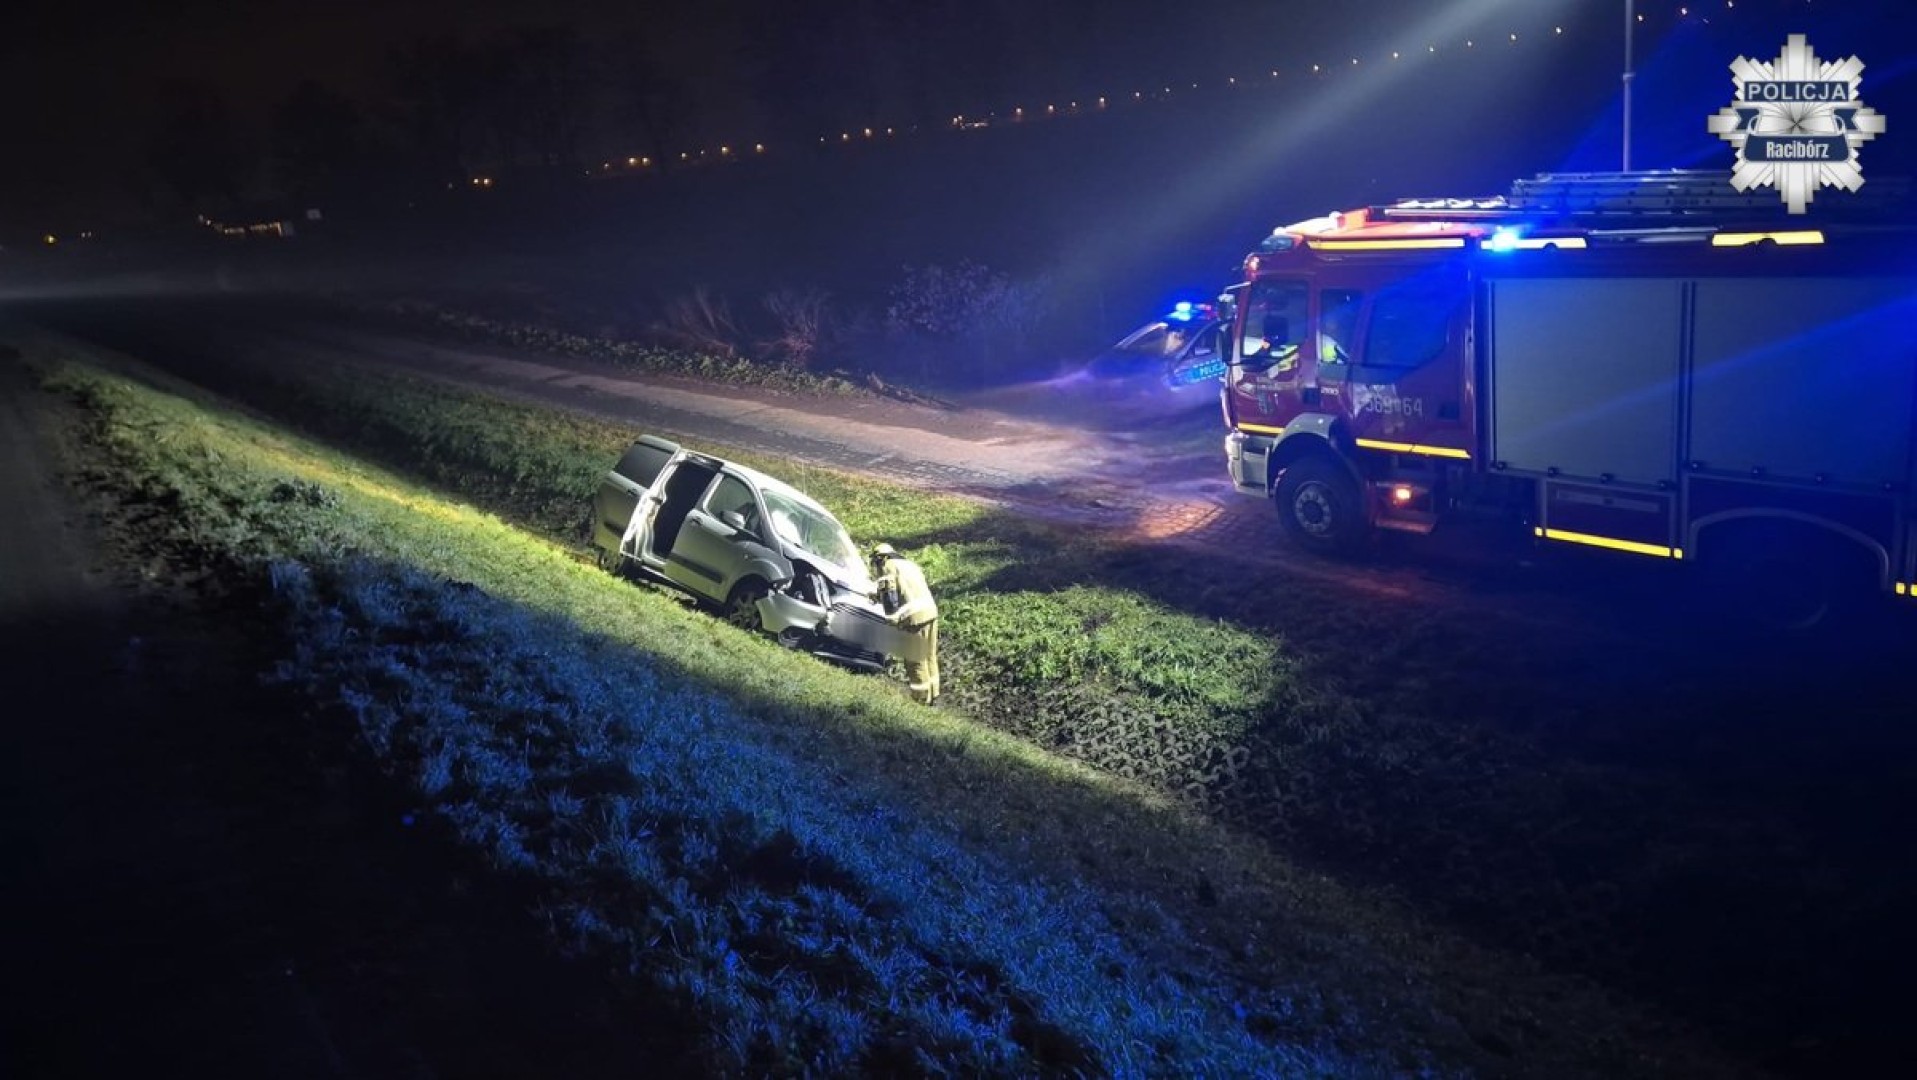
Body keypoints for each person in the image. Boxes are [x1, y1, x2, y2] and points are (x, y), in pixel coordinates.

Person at [870, 542, 939, 704]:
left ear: (880, 558)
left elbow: (890, 595)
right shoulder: (908, 564)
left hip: (914, 618)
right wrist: (876, 595)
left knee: (915, 660)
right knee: (929, 656)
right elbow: (905, 589)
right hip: (930, 612)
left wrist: (891, 620)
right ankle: (934, 695)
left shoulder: (886, 566)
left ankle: (920, 699)